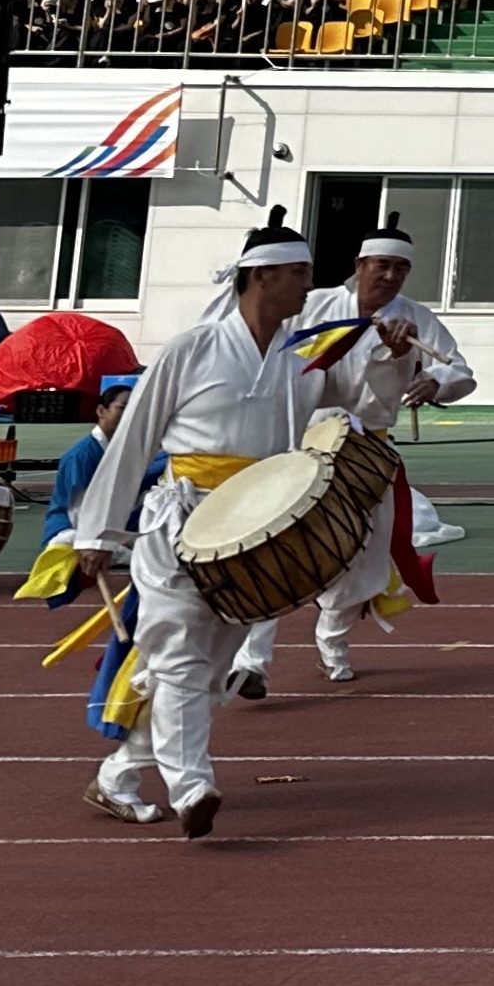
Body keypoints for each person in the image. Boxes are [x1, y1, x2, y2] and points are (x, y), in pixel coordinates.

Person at [69, 208, 362, 834]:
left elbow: (368, 407)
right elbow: (134, 439)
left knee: (212, 670)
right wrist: (96, 531)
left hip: (256, 531)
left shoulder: (301, 358)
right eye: (300, 273)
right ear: (261, 278)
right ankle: (192, 787)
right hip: (181, 519)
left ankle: (118, 775)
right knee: (178, 656)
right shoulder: (192, 349)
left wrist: (390, 360)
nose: (310, 286)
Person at [234, 216, 475, 687]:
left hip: (367, 452)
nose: (391, 276)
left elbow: (461, 371)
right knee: (278, 547)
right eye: (382, 265)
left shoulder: (417, 317)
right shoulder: (314, 305)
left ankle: (332, 638)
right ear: (360, 265)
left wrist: (434, 379)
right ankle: (251, 662)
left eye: (400, 268)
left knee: (362, 555)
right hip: (305, 443)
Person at [12, 374, 137, 604]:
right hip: (73, 528)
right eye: (122, 408)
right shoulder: (81, 455)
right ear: (101, 411)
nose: (129, 415)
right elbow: (78, 509)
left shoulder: (123, 450)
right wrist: (96, 541)